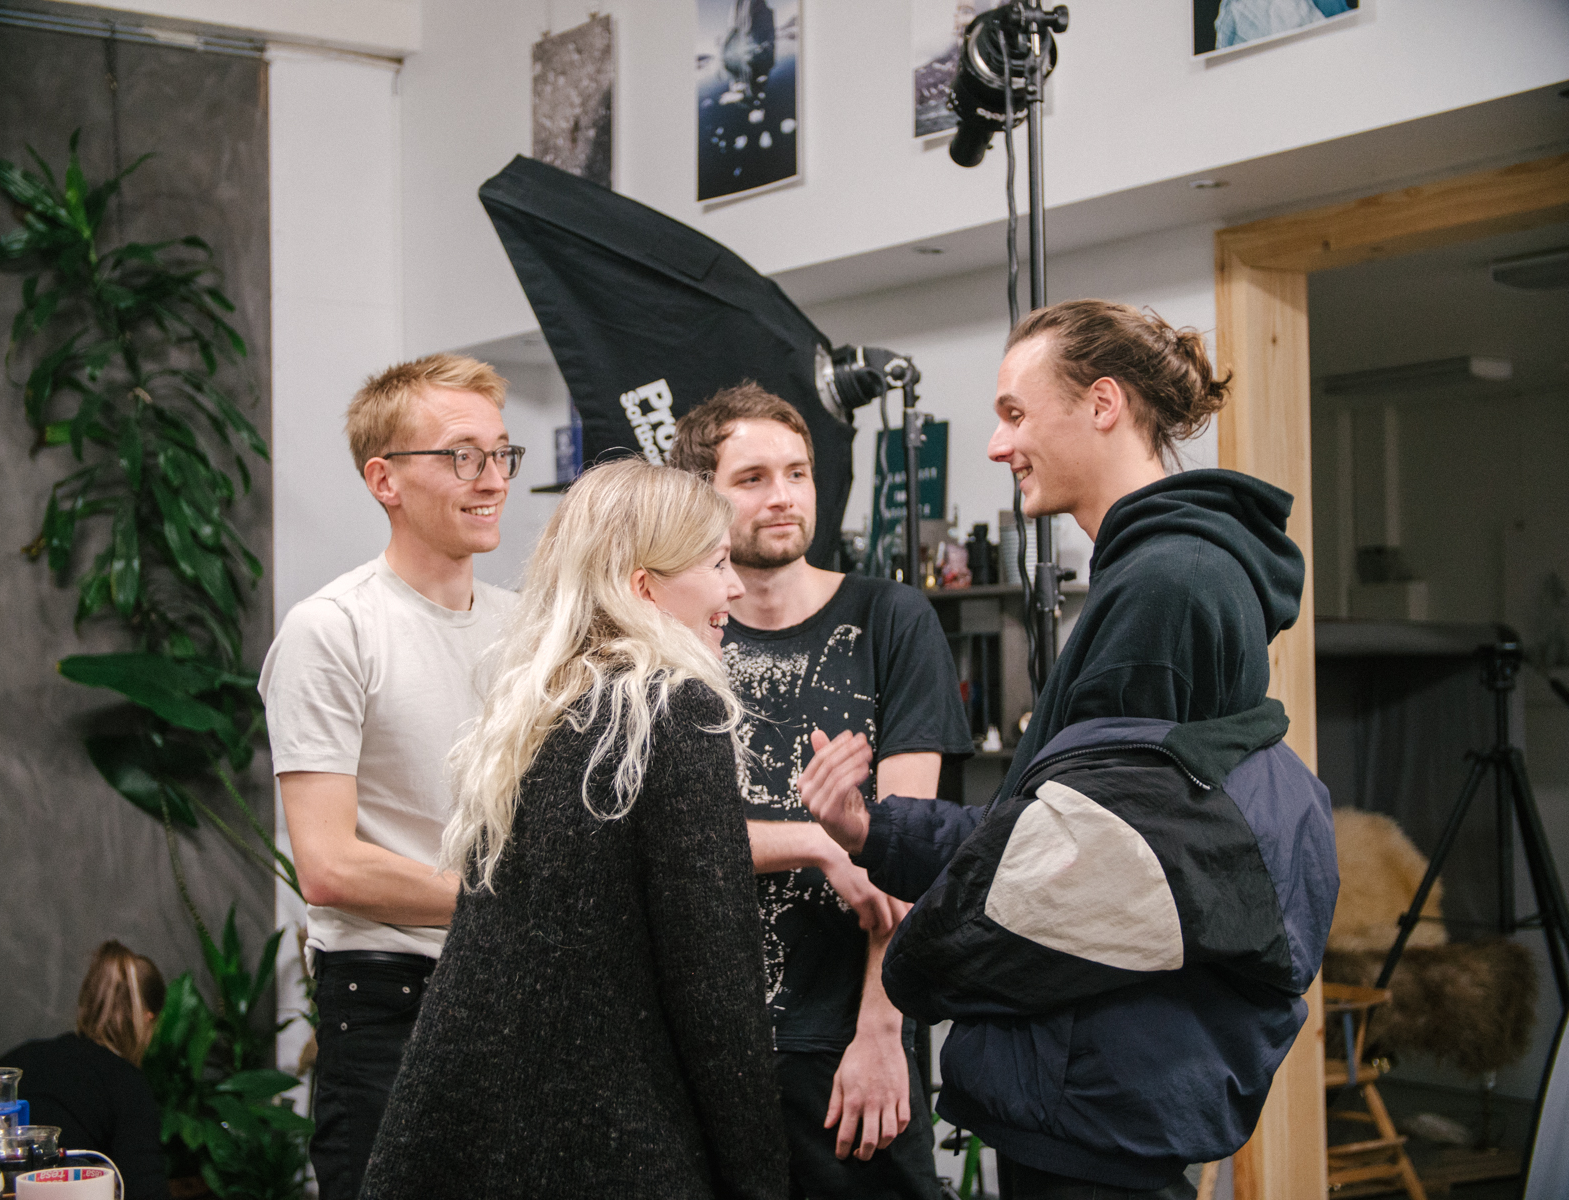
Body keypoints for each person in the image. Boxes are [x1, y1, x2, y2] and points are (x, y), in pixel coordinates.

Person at [798, 300, 1330, 1199]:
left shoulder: (1167, 586)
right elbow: (1047, 834)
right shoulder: (1153, 574)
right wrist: (872, 829)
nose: (997, 446)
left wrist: (925, 965)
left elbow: (1094, 872)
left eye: (1015, 414)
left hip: (1101, 1095)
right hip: (1091, 1089)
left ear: (1103, 403)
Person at [359, 459, 788, 1199]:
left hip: (492, 1136)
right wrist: (759, 1177)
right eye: (717, 564)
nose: (735, 589)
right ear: (644, 587)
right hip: (619, 1144)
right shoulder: (673, 711)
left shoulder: (539, 714)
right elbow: (713, 984)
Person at [670, 385, 973, 1199]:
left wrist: (882, 1033)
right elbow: (666, 842)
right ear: (699, 497)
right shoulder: (678, 639)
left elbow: (905, 851)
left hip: (845, 1039)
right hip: (701, 1043)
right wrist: (813, 839)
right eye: (753, 478)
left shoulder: (892, 620)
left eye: (797, 473)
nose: (783, 496)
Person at [257, 353, 521, 1200]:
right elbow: (329, 867)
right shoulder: (333, 630)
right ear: (385, 480)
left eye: (501, 454)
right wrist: (517, 905)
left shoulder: (528, 627)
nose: (492, 479)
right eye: (463, 456)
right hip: (389, 1002)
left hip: (517, 989)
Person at [0, 941, 171, 1200]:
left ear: (87, 1002)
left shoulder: (18, 1061)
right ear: (148, 1017)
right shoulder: (127, 1086)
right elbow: (146, 1190)